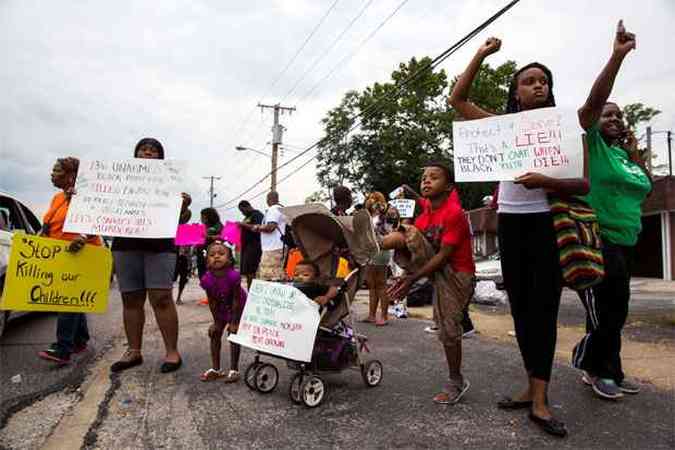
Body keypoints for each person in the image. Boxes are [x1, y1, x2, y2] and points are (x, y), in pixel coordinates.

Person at [449, 38, 590, 437]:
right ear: (516, 92)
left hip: (546, 222)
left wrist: (545, 181)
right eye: (528, 81)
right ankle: (531, 387)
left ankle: (542, 400)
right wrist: (480, 55)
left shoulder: (566, 129)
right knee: (521, 309)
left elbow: (582, 184)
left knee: (543, 310)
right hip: (511, 224)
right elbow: (458, 100)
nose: (537, 86)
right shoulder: (501, 128)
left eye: (543, 80)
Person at [573, 21, 651, 400]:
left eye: (619, 116)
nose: (615, 119)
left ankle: (611, 371)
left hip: (626, 240)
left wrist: (633, 151)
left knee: (615, 311)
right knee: (607, 311)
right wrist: (617, 57)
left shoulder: (625, 156)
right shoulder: (594, 147)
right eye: (609, 115)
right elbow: (592, 103)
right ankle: (593, 367)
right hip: (597, 238)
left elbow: (644, 186)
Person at [375, 163, 475, 407]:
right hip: (436, 267)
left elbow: (443, 256)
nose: (427, 181)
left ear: (449, 186)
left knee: (449, 332)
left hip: (456, 275)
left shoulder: (455, 213)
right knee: (407, 231)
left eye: (434, 177)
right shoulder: (427, 212)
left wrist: (412, 279)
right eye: (423, 177)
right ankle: (372, 243)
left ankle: (456, 381)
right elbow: (412, 240)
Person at [110, 137, 191, 374]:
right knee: (131, 298)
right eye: (143, 149)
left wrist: (184, 206)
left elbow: (182, 220)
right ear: (135, 155)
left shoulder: (170, 183)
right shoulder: (118, 181)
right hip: (126, 245)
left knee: (162, 298)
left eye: (153, 150)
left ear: (160, 157)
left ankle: (172, 352)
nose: (148, 153)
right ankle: (134, 351)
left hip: (160, 246)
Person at [37, 157, 102, 365]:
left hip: (82, 255)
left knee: (67, 300)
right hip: (60, 257)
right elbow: (50, 225)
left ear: (71, 176)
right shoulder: (57, 198)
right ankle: (80, 340)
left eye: (57, 170)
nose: (52, 173)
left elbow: (96, 221)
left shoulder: (85, 196)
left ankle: (63, 348)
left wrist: (82, 238)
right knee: (72, 300)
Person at [199, 240, 246, 382]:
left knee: (233, 333)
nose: (217, 256)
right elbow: (212, 302)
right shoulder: (207, 279)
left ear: (230, 259)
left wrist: (235, 321)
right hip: (220, 307)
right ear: (207, 261)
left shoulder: (233, 276)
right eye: (212, 255)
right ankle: (216, 369)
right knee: (215, 332)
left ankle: (234, 370)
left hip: (237, 306)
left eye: (221, 253)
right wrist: (216, 322)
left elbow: (237, 300)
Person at [362, 192, 393, 326]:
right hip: (370, 251)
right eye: (369, 198)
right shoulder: (370, 215)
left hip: (382, 250)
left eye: (373, 198)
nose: (370, 200)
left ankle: (384, 316)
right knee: (372, 285)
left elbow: (387, 230)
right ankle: (371, 315)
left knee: (380, 284)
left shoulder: (385, 214)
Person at [252, 191, 288, 281]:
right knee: (276, 275)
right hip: (277, 247)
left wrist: (258, 227)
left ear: (269, 199)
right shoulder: (280, 209)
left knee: (269, 278)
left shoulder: (273, 209)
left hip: (272, 248)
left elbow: (271, 227)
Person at [236, 200, 264, 289]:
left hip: (254, 247)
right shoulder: (247, 217)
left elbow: (259, 227)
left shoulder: (257, 215)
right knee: (247, 273)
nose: (242, 213)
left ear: (247, 206)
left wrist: (243, 225)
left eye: (242, 210)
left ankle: (253, 292)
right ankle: (250, 291)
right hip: (246, 248)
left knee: (252, 272)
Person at [174, 194, 192, 305]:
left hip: (182, 253)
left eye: (185, 202)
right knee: (171, 276)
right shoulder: (170, 211)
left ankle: (179, 296)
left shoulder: (187, 214)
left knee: (183, 276)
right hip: (173, 250)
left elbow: (181, 220)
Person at [196, 207, 224, 280]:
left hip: (213, 255)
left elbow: (224, 237)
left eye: (203, 216)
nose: (201, 218)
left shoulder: (218, 225)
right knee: (203, 278)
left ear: (209, 216)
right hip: (201, 255)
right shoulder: (203, 227)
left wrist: (210, 237)